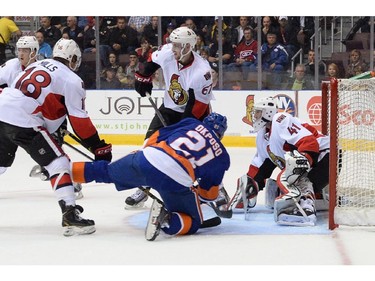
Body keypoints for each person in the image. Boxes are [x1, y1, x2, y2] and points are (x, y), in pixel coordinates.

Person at [0, 38, 112, 236]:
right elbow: (79, 121)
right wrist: (97, 146)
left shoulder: (35, 65)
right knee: (58, 162)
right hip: (23, 119)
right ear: (73, 58)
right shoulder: (71, 79)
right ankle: (70, 214)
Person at [71, 113, 230, 241]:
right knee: (194, 222)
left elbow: (158, 134)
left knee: (105, 172)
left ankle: (64, 171)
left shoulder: (191, 123)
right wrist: (195, 193)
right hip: (175, 181)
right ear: (221, 135)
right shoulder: (222, 156)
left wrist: (145, 155)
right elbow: (208, 193)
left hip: (147, 159)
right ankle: (166, 219)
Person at [125, 26, 217, 209]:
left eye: (177, 45)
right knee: (148, 146)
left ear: (188, 46)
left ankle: (214, 189)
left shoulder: (201, 71)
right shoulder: (168, 52)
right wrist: (142, 78)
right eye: (172, 44)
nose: (172, 48)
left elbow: (196, 107)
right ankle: (144, 189)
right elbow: (149, 62)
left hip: (195, 114)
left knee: (196, 154)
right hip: (169, 108)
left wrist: (180, 132)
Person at [231, 97, 329, 226]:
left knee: (292, 168)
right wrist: (250, 184)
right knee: (283, 179)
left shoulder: (280, 120)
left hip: (327, 156)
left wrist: (298, 173)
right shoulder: (263, 134)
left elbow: (309, 144)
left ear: (268, 113)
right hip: (315, 159)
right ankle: (316, 195)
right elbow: (262, 164)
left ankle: (305, 205)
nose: (254, 116)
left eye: (258, 112)